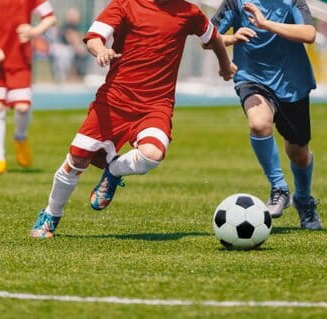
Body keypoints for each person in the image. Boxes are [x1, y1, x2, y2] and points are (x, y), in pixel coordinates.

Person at [30, 0, 237, 239]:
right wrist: (101, 51)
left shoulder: (188, 12)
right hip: (113, 101)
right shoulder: (125, 4)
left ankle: (114, 170)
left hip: (156, 105)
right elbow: (94, 37)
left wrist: (225, 64)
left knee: (153, 154)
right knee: (77, 159)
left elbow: (213, 39)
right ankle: (51, 214)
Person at [209, 0, 322, 230]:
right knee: (259, 124)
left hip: (293, 83)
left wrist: (266, 24)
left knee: (299, 153)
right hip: (252, 79)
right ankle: (278, 188)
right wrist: (231, 38)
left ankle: (303, 200)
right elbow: (208, 36)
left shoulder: (292, 2)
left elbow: (309, 34)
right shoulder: (235, 2)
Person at [0, 0, 57, 174]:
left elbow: (50, 18)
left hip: (21, 59)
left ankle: (20, 138)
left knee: (23, 107)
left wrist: (34, 31)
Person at [50, 8, 87, 83]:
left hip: (67, 48)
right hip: (62, 48)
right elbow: (71, 38)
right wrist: (77, 47)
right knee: (65, 57)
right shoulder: (68, 26)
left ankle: (74, 75)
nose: (75, 18)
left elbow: (77, 38)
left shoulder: (75, 26)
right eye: (73, 16)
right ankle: (62, 77)